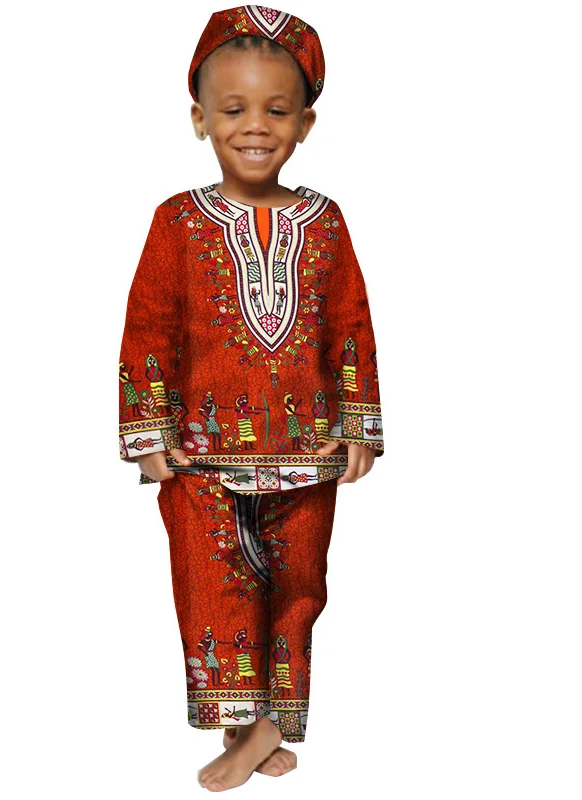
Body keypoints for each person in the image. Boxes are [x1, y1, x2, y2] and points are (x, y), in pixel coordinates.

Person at [117, 5, 383, 791]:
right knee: (213, 590)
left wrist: (359, 423)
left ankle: (270, 726)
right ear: (199, 118)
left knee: (298, 588)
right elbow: (149, 326)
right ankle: (247, 729)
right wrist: (147, 430)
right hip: (201, 457)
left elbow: (351, 323)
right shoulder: (177, 220)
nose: (255, 126)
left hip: (308, 449)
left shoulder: (324, 221)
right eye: (233, 109)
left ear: (306, 122)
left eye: (276, 109)